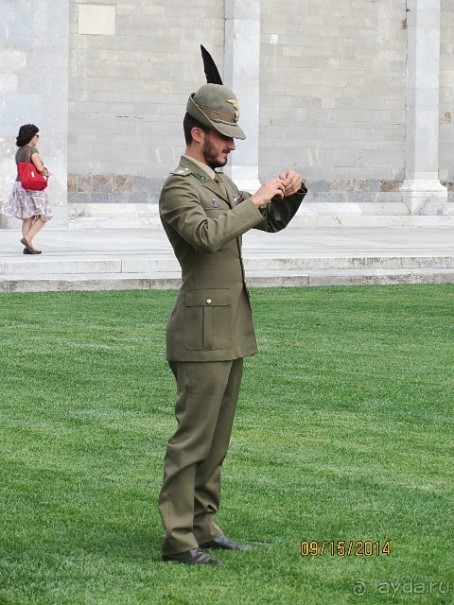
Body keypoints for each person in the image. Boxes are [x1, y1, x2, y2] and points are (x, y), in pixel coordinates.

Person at [158, 83, 307, 566]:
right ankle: (179, 540)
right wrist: (257, 198)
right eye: (223, 136)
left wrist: (287, 192)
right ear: (197, 132)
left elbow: (269, 220)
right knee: (192, 441)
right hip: (199, 334)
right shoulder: (179, 187)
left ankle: (204, 524)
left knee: (216, 442)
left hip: (229, 331)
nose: (231, 145)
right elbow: (206, 235)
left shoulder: (219, 184)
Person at [1, 124, 52, 254]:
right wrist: (46, 172)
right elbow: (39, 168)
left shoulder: (19, 152)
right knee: (44, 215)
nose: (37, 138)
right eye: (37, 136)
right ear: (31, 136)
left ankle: (27, 247)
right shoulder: (33, 151)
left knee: (28, 216)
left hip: (20, 184)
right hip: (32, 186)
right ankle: (28, 239)